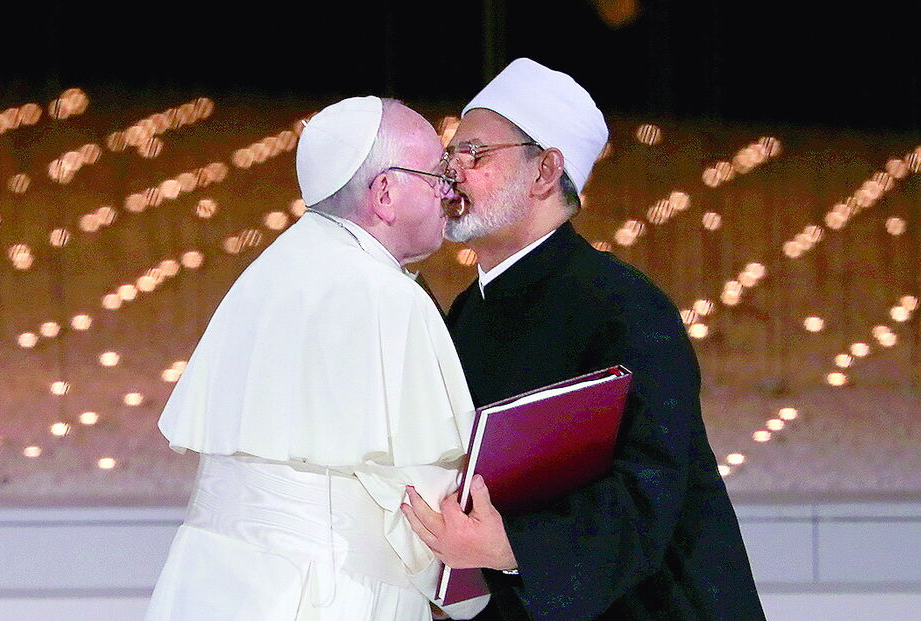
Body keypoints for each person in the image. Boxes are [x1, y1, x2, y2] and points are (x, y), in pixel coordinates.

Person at [401, 58, 765, 620]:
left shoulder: (625, 308)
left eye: (474, 153)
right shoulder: (470, 312)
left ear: (545, 173)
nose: (452, 171)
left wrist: (510, 547)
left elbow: (651, 488)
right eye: (450, 154)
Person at [146, 96, 489, 621]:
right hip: (325, 595)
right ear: (385, 194)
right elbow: (424, 498)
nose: (448, 190)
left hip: (211, 581)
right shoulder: (385, 295)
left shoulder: (268, 270)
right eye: (437, 174)